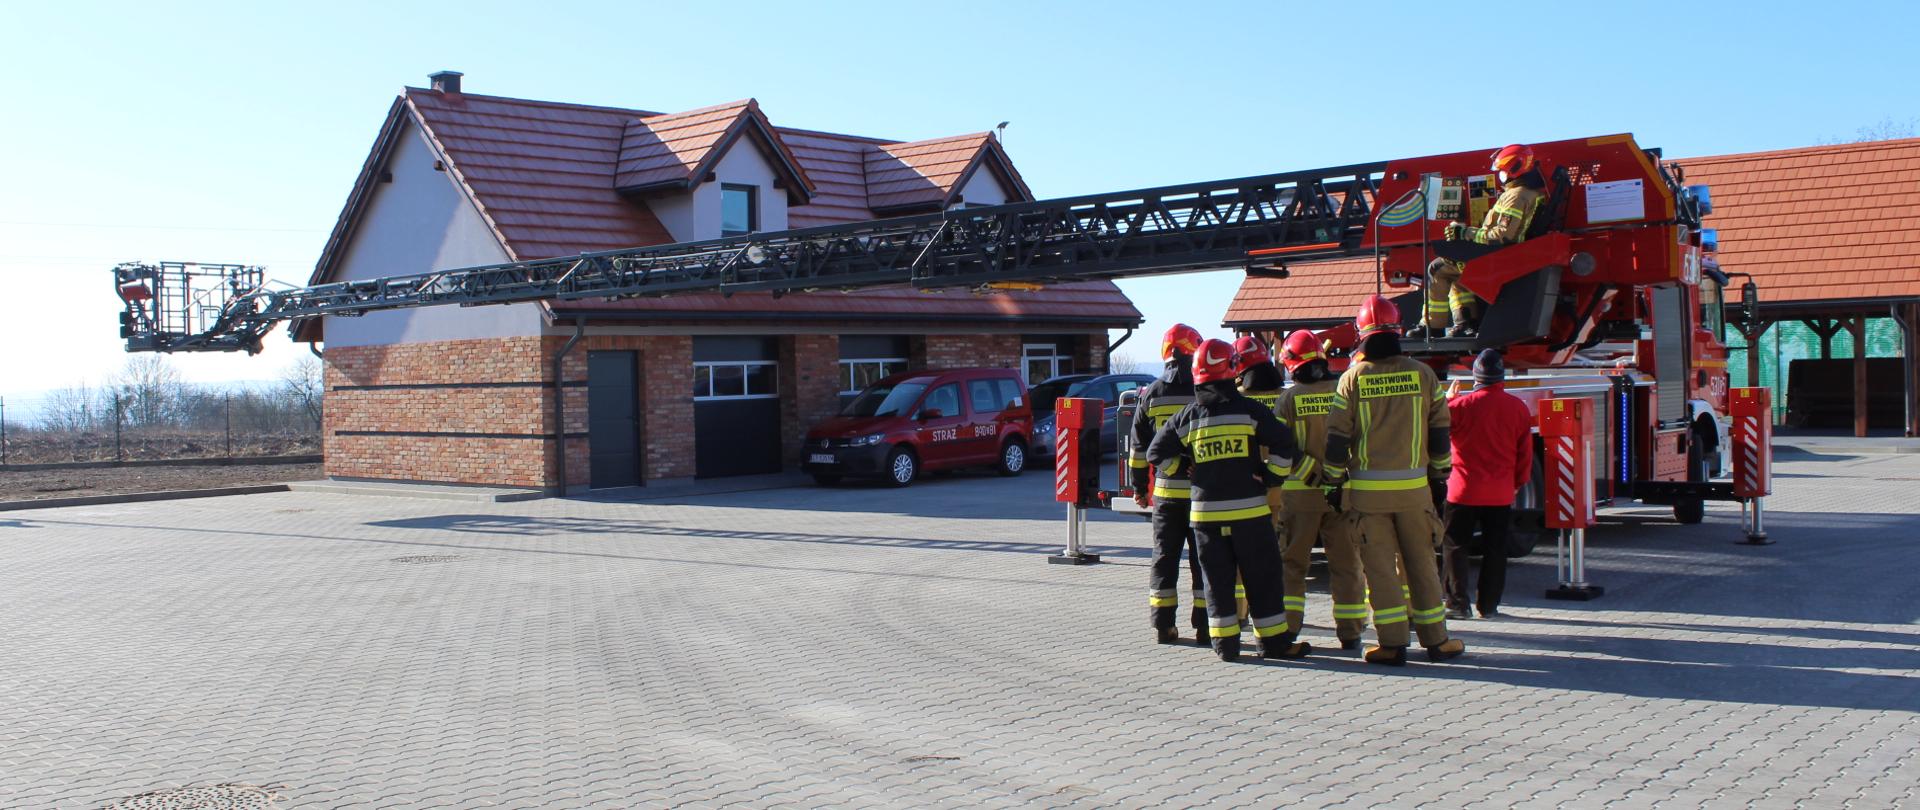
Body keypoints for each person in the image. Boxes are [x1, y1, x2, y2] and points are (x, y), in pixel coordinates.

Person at [1323, 295, 1467, 666]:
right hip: (1414, 493)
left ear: (1362, 334)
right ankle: (1437, 641)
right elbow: (1440, 431)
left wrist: (1333, 482)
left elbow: (1337, 438)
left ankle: (1391, 644)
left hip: (1368, 497)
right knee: (1422, 565)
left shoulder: (1352, 378)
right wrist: (1439, 477)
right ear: (1397, 330)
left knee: (1381, 571)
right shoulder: (1423, 374)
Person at [1147, 339, 1304, 661]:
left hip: (1206, 519)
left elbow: (1155, 453)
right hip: (1249, 515)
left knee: (1216, 581)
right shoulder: (1249, 411)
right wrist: (1271, 476)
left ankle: (1226, 646)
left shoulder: (1187, 417)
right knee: (1261, 577)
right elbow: (1284, 443)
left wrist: (1182, 468)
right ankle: (1273, 643)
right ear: (1232, 369)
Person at [1272, 329, 1370, 651]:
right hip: (1343, 494)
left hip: (1301, 497)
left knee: (1293, 565)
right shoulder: (1344, 392)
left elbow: (1280, 447)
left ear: (1292, 363)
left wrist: (1312, 476)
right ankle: (1351, 631)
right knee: (1347, 563)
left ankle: (1288, 629)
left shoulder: (1288, 399)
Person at [1409, 144, 1550, 339]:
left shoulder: (1515, 196)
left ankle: (1431, 326)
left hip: (1499, 255)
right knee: (1456, 270)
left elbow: (1502, 236)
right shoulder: (1531, 194)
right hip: (1510, 254)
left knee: (1437, 268)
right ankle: (1465, 323)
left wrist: (1464, 232)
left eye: (1501, 170)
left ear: (1514, 169)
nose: (1499, 174)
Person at [1442, 349, 1535, 620]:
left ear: (1475, 377)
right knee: (1495, 549)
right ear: (1501, 376)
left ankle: (1458, 604)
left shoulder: (1459, 407)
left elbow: (1436, 428)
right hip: (1500, 492)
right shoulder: (1518, 408)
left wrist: (1449, 399)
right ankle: (1489, 605)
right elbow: (1524, 454)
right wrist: (1518, 483)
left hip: (1462, 490)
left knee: (1455, 546)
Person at [1131, 324, 1205, 644]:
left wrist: (1139, 488)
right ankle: (1205, 627)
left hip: (1166, 495)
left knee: (1164, 559)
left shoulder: (1151, 394)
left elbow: (1139, 450)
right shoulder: (1205, 390)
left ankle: (1164, 626)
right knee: (1204, 561)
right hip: (1203, 494)